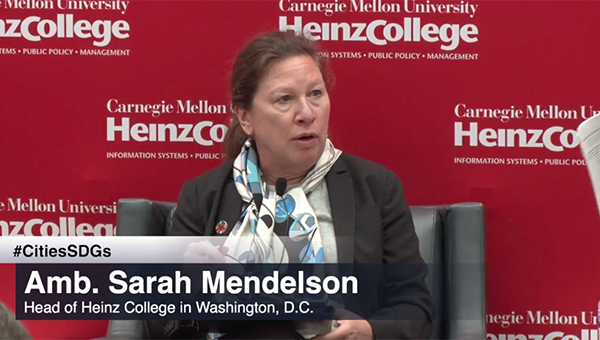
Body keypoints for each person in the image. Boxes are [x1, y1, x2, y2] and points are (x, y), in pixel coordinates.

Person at [166, 31, 434, 340]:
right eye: (285, 99)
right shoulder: (204, 196)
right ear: (245, 117)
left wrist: (368, 331)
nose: (307, 114)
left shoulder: (375, 187)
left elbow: (415, 306)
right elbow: (165, 325)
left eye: (316, 94)